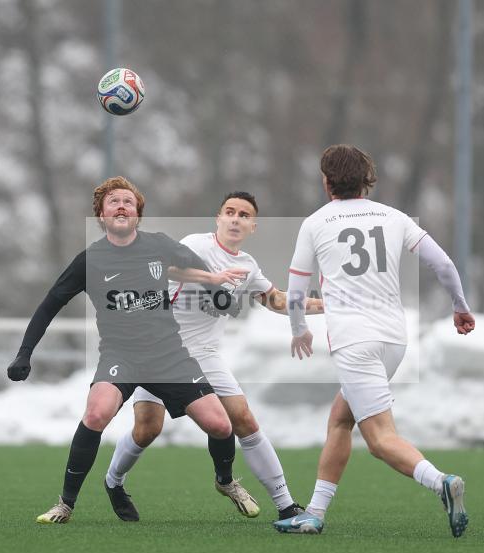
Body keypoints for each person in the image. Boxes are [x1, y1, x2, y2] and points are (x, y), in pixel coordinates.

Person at [7, 176, 248, 524]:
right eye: (113, 202)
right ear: (101, 215)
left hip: (170, 356)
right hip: (121, 357)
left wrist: (216, 289)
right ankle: (66, 504)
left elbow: (197, 268)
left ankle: (225, 482)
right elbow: (49, 305)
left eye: (129, 202)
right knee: (96, 414)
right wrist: (24, 353)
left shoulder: (158, 245)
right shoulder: (89, 260)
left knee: (221, 426)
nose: (122, 206)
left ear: (137, 214)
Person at [272, 145, 476, 537]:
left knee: (381, 439)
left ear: (327, 180)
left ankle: (442, 483)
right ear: (367, 179)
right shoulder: (394, 217)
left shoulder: (316, 222)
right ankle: (313, 513)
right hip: (393, 341)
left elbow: (296, 289)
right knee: (340, 419)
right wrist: (459, 306)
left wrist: (298, 328)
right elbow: (444, 264)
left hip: (354, 342)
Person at [104, 191, 324, 522]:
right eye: (230, 212)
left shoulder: (247, 266)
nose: (236, 218)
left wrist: (327, 304)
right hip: (161, 350)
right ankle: (113, 482)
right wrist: (210, 279)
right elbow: (163, 268)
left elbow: (276, 300)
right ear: (218, 218)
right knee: (148, 428)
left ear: (253, 226)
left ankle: (286, 506)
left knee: (244, 420)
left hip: (205, 355)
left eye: (244, 215)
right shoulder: (196, 244)